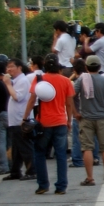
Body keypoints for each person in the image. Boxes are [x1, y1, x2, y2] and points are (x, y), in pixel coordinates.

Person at [24, 54, 75, 195]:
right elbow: (69, 104)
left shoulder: (39, 79)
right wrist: (69, 120)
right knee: (61, 155)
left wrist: (25, 117)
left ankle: (43, 185)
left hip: (43, 123)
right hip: (60, 121)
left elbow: (32, 99)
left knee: (40, 153)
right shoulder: (66, 81)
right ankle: (61, 186)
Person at [73, 54, 104, 185]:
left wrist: (75, 112)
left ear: (86, 67)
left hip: (86, 118)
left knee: (87, 148)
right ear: (99, 67)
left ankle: (90, 178)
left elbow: (71, 95)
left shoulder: (82, 79)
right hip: (103, 117)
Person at [3, 58, 35, 181]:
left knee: (25, 147)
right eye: (8, 67)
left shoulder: (22, 81)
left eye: (11, 66)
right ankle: (15, 171)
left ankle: (32, 170)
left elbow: (17, 97)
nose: (9, 69)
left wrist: (7, 84)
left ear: (19, 67)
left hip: (20, 120)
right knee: (16, 147)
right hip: (15, 120)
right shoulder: (16, 81)